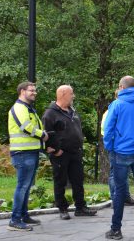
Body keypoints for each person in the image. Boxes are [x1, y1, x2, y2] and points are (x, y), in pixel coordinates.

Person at [102, 76, 134, 239]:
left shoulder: (116, 105)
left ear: (121, 87)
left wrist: (110, 146)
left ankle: (116, 229)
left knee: (119, 191)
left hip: (120, 152)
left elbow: (108, 128)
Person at [42, 85, 97, 220]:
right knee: (60, 181)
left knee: (78, 180)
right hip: (61, 153)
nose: (74, 96)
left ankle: (80, 207)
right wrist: (55, 150)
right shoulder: (50, 114)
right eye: (71, 93)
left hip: (75, 152)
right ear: (62, 94)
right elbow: (46, 134)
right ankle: (62, 208)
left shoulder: (73, 111)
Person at [7, 81, 48, 231]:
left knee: (26, 186)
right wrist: (42, 135)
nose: (34, 93)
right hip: (22, 153)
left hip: (31, 151)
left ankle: (24, 215)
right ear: (22, 91)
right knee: (22, 186)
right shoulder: (19, 107)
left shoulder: (28, 108)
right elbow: (25, 127)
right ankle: (15, 220)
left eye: (35, 90)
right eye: (31, 90)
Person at [101, 93, 134, 206]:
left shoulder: (121, 108)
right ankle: (115, 198)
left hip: (124, 146)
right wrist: (111, 145)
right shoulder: (110, 111)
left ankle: (125, 197)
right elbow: (105, 130)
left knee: (124, 173)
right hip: (115, 146)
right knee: (114, 173)